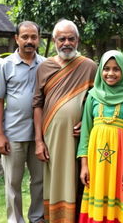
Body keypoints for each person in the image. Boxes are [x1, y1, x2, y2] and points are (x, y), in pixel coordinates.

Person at [33, 19, 97, 222]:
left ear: (78, 40)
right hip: (51, 137)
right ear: (54, 40)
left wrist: (89, 125)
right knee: (55, 178)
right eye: (62, 39)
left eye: (71, 38)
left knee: (79, 177)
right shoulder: (45, 67)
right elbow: (37, 104)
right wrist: (38, 141)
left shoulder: (89, 66)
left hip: (79, 138)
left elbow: (97, 102)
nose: (66, 43)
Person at [77, 50, 123, 223]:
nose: (111, 73)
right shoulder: (93, 96)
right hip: (96, 162)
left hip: (122, 162)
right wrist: (84, 165)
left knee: (121, 194)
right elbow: (85, 132)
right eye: (106, 69)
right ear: (100, 70)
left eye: (116, 69)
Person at [0, 21, 45, 223]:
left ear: (38, 39)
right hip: (13, 134)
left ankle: (37, 218)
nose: (29, 41)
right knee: (12, 182)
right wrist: (0, 134)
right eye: (25, 37)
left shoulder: (46, 64)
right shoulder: (6, 65)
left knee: (39, 180)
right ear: (17, 39)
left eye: (33, 37)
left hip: (40, 135)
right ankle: (15, 220)